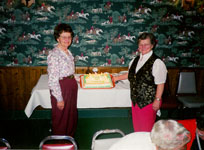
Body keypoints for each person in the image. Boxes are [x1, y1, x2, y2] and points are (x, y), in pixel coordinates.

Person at [113, 32, 167, 132]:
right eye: (140, 44)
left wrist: (158, 99)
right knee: (137, 128)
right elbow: (130, 74)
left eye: (146, 44)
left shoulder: (157, 62)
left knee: (146, 129)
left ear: (152, 45)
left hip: (148, 102)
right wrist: (115, 79)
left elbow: (160, 83)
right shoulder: (135, 59)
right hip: (135, 100)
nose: (143, 47)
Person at [47, 23, 78, 136]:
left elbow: (68, 72)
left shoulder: (67, 52)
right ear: (57, 38)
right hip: (61, 87)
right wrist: (59, 98)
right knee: (61, 117)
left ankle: (69, 140)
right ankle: (59, 142)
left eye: (69, 37)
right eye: (64, 37)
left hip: (70, 85)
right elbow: (53, 79)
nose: (67, 39)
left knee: (70, 115)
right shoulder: (54, 55)